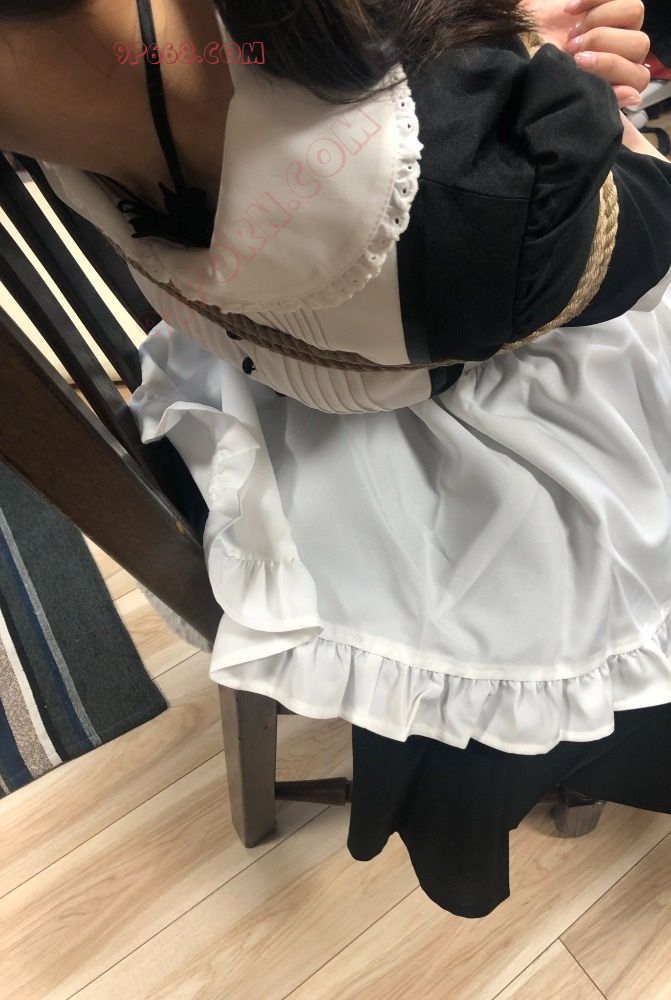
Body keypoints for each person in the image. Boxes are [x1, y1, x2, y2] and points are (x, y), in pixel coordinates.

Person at [3, 0, 671, 917]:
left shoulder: (56, 108)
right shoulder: (474, 199)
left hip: (279, 358)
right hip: (446, 394)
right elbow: (642, 230)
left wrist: (501, 54)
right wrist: (559, 96)